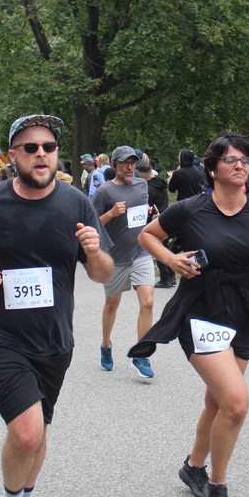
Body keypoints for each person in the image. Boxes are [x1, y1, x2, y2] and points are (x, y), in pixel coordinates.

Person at [0, 114, 113, 497]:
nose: (41, 154)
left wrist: (94, 251)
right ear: (13, 156)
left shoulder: (76, 203)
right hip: (1, 336)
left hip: (55, 339)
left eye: (48, 147)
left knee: (38, 431)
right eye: (30, 147)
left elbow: (101, 273)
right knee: (26, 431)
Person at [127, 130, 249, 497]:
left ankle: (193, 467)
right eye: (231, 160)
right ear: (212, 169)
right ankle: (217, 487)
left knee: (217, 401)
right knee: (235, 403)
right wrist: (171, 260)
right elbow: (147, 236)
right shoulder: (191, 208)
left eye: (246, 161)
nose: (241, 166)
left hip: (244, 311)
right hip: (200, 309)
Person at [91, 145, 157, 377]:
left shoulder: (142, 185)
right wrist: (110, 214)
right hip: (115, 258)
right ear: (114, 165)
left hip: (140, 253)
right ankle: (106, 345)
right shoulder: (104, 192)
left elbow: (141, 216)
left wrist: (151, 215)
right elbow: (91, 224)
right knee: (112, 304)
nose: (129, 167)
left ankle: (141, 355)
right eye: (125, 163)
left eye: (133, 163)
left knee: (148, 302)